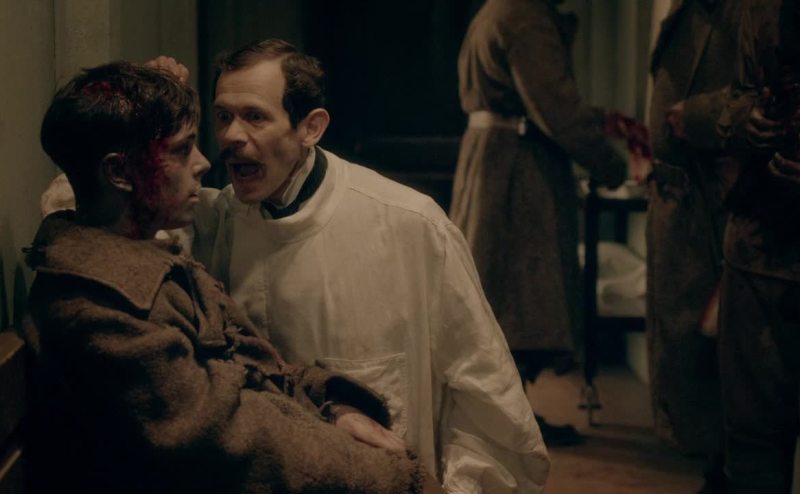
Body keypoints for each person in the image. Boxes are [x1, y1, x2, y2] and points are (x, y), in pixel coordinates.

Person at [40, 41, 550, 492]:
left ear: (311, 127)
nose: (229, 137)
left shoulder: (410, 225)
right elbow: (95, 210)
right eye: (222, 116)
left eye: (254, 116)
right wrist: (146, 104)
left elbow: (491, 405)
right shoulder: (211, 219)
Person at [449, 0, 634, 445]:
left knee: (503, 289)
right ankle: (506, 422)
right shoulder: (525, 15)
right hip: (516, 168)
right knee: (516, 294)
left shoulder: (499, 8)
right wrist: (613, 166)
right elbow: (555, 107)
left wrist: (600, 123)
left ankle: (509, 415)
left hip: (496, 159)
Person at [646, 1, 742, 491]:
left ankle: (721, 469)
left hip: (712, 198)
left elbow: (767, 91)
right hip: (679, 200)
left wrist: (700, 115)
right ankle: (711, 462)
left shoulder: (746, 12)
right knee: (686, 345)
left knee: (714, 344)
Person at [715, 0, 800, 491]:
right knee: (751, 437)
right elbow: (739, 95)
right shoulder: (759, 7)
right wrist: (745, 117)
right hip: (758, 244)